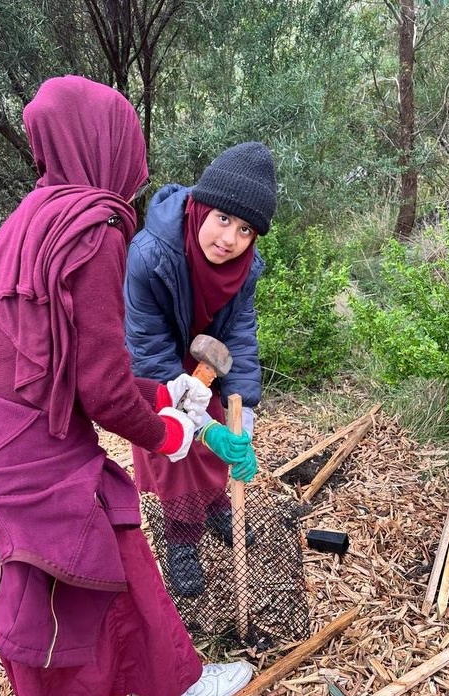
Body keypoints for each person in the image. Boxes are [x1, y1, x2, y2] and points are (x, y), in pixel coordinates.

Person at [0, 76, 254, 696]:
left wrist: (170, 389)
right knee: (84, 554)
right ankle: (172, 690)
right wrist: (170, 433)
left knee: (101, 552)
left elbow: (55, 353)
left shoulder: (34, 216)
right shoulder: (97, 227)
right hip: (29, 448)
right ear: (110, 144)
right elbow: (101, 388)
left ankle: (171, 682)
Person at [125, 141, 277, 597]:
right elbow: (148, 355)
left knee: (214, 449)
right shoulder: (149, 254)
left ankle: (215, 509)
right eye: (223, 218)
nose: (229, 239)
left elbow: (241, 338)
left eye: (246, 229)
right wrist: (200, 424)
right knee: (174, 448)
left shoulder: (245, 270)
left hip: (204, 361)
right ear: (200, 207)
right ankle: (181, 541)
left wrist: (242, 420)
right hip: (152, 365)